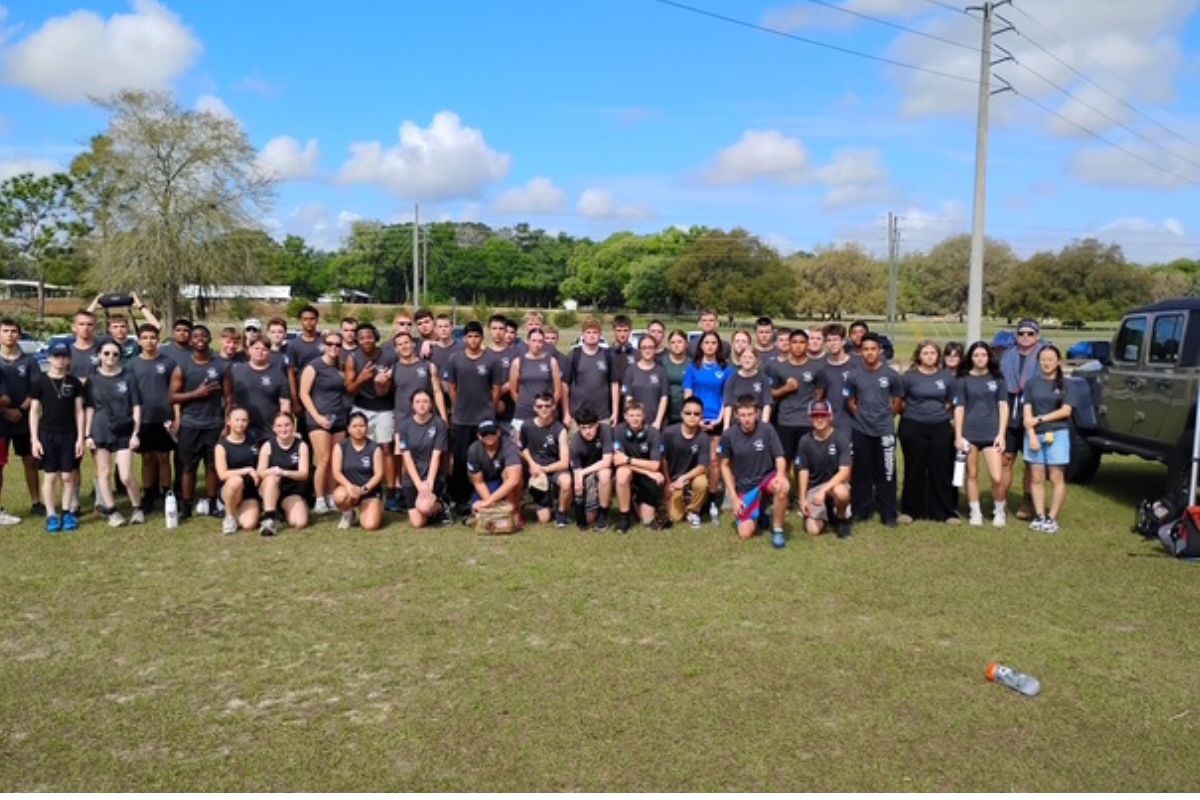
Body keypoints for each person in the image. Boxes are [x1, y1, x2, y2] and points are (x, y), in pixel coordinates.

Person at [170, 325, 232, 519]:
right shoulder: (183, 367)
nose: (199, 339)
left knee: (213, 466)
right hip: (190, 424)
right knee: (189, 467)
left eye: (203, 335)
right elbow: (172, 396)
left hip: (214, 423)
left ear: (209, 338)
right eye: (195, 336)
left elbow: (229, 397)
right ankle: (186, 507)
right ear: (191, 340)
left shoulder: (221, 366)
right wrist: (196, 393)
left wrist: (226, 422)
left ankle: (213, 503)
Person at [843, 333, 903, 526]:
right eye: (865, 349)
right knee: (862, 472)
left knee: (887, 472)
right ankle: (862, 510)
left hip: (884, 430)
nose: (869, 353)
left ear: (880, 351)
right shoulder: (854, 374)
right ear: (861, 352)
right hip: (861, 430)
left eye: (873, 349)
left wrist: (888, 415)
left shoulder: (891, 374)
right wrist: (859, 414)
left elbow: (898, 399)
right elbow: (849, 399)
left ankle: (889, 513)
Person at [85, 341, 146, 526]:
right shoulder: (92, 379)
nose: (110, 357)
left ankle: (137, 508)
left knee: (126, 475)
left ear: (120, 356)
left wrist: (136, 433)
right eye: (106, 353)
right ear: (99, 355)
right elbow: (89, 408)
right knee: (104, 472)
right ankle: (111, 511)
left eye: (115, 354)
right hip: (101, 429)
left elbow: (136, 406)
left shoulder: (128, 377)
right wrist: (87, 434)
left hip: (125, 430)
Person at [897, 340, 958, 524]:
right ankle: (910, 510)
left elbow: (950, 401)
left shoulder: (947, 377)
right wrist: (915, 414)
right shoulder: (908, 377)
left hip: (940, 425)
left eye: (933, 353)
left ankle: (944, 512)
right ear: (919, 356)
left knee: (941, 468)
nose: (929, 356)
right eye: (925, 353)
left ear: (938, 356)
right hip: (912, 425)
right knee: (914, 466)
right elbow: (900, 401)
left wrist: (939, 414)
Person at [718, 395, 790, 548]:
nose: (747, 419)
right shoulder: (728, 435)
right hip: (745, 487)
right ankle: (762, 513)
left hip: (766, 479)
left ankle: (777, 529)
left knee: (783, 486)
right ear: (736, 415)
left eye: (750, 414)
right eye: (742, 415)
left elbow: (780, 457)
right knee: (745, 534)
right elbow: (724, 466)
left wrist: (781, 475)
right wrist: (734, 498)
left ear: (757, 413)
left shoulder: (767, 429)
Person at [443, 321, 500, 514]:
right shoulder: (455, 359)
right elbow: (451, 386)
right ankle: (460, 499)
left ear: (482, 338)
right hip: (461, 418)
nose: (473, 340)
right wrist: (458, 405)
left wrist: (489, 407)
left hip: (484, 418)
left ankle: (482, 495)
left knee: (485, 459)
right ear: (464, 338)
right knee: (460, 460)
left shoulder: (491, 360)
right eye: (469, 336)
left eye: (476, 336)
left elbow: (497, 388)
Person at [29, 342, 85, 533]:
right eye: (56, 356)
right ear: (49, 358)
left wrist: (80, 438)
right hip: (47, 435)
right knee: (51, 476)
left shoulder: (74, 382)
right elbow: (35, 411)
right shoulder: (40, 382)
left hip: (69, 434)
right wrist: (34, 439)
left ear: (69, 359)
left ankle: (67, 512)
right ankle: (51, 515)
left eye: (64, 356)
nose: (60, 360)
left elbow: (79, 411)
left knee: (69, 476)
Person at [953, 341, 1009, 527]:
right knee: (972, 474)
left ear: (989, 357)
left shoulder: (998, 378)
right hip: (970, 433)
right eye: (976, 355)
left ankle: (999, 511)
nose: (980, 358)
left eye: (983, 355)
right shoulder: (963, 380)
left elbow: (1003, 406)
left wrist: (1001, 434)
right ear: (971, 357)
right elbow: (959, 408)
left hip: (992, 433)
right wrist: (959, 436)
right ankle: (974, 512)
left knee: (997, 476)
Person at [344, 324, 399, 508]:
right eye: (361, 338)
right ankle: (360, 489)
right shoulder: (353, 358)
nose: (365, 341)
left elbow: (396, 381)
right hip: (362, 408)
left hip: (384, 408)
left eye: (369, 337)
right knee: (359, 448)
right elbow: (350, 389)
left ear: (375, 337)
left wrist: (385, 383)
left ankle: (390, 492)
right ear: (357, 340)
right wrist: (362, 378)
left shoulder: (389, 355)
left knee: (385, 448)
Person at [1000, 319, 1048, 520]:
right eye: (1022, 333)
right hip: (1010, 414)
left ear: (1038, 335)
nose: (1026, 337)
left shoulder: (1045, 355)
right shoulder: (1006, 357)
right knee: (1006, 459)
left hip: (1035, 416)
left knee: (1031, 462)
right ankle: (999, 501)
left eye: (1030, 333)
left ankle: (1028, 501)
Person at [1023, 345, 1074, 534]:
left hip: (1058, 434)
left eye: (1050, 359)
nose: (1046, 363)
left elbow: (1066, 411)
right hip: (1035, 435)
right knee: (1036, 478)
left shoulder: (1068, 384)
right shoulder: (1031, 383)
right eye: (1043, 359)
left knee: (1056, 477)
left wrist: (1040, 419)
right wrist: (1032, 434)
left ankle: (1052, 517)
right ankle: (1039, 515)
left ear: (1058, 361)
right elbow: (1027, 413)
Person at [683, 331, 732, 523]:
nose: (710, 346)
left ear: (718, 346)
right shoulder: (693, 368)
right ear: (701, 346)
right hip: (696, 420)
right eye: (707, 342)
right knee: (697, 463)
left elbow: (727, 397)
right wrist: (695, 417)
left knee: (713, 462)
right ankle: (695, 500)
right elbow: (689, 394)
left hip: (716, 422)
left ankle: (712, 501)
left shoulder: (726, 369)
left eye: (714, 343)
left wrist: (720, 419)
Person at [767, 329, 820, 504]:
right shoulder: (778, 367)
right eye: (794, 342)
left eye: (801, 342)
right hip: (786, 421)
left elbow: (820, 394)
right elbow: (771, 393)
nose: (798, 346)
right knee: (785, 461)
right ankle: (784, 496)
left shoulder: (816, 367)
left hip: (807, 422)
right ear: (789, 344)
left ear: (807, 345)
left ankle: (802, 496)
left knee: (804, 462)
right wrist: (785, 389)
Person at [128, 324, 177, 513]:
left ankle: (167, 492)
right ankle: (149, 493)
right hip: (144, 418)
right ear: (139, 341)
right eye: (145, 337)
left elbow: (174, 390)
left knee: (164, 457)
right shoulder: (132, 365)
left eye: (153, 337)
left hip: (164, 417)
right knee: (147, 458)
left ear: (158, 339)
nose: (149, 341)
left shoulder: (168, 362)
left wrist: (174, 415)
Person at [299, 332, 349, 514]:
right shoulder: (314, 366)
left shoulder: (341, 367)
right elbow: (303, 394)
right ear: (324, 345)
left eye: (337, 344)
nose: (334, 347)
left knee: (336, 461)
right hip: (318, 419)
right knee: (324, 459)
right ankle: (319, 498)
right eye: (330, 344)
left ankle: (331, 495)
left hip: (339, 418)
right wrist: (317, 417)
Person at [0, 318, 40, 520]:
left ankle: (36, 502)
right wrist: (6, 413)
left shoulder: (29, 361)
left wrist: (21, 411)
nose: (9, 334)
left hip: (24, 419)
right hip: (1, 422)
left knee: (31, 461)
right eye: (5, 330)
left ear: (19, 334)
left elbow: (35, 390)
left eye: (13, 331)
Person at [795, 400, 853, 539]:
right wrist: (802, 499)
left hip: (835, 485)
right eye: (815, 416)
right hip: (815, 489)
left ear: (830, 416)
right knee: (813, 530)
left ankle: (841, 519)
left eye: (823, 415)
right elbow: (803, 471)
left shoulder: (841, 438)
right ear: (810, 418)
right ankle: (824, 514)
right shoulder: (804, 441)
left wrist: (824, 490)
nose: (819, 419)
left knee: (842, 493)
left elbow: (845, 471)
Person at [396, 389, 450, 528]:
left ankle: (441, 507)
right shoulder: (404, 425)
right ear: (412, 405)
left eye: (425, 401)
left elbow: (436, 456)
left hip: (432, 476)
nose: (421, 405)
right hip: (412, 478)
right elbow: (406, 458)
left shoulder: (439, 424)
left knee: (425, 507)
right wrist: (419, 485)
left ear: (431, 404)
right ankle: (428, 509)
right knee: (418, 523)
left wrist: (429, 484)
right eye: (417, 402)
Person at [517, 390, 572, 526]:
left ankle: (561, 513)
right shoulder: (526, 426)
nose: (544, 409)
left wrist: (545, 469)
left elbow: (564, 463)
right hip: (534, 469)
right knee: (544, 519)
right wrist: (532, 464)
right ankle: (520, 509)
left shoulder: (560, 429)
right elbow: (523, 448)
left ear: (553, 407)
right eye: (540, 406)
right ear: (535, 408)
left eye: (547, 406)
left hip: (553, 468)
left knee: (566, 481)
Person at [612, 400, 664, 532]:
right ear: (625, 417)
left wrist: (629, 460)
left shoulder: (654, 433)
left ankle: (634, 501)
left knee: (646, 520)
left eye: (638, 415)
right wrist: (647, 471)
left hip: (646, 477)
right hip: (631, 473)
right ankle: (624, 517)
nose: (635, 419)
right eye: (631, 415)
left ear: (644, 416)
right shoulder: (618, 431)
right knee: (622, 473)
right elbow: (618, 461)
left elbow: (655, 465)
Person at [256, 412, 311, 535]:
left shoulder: (301, 445)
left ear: (293, 426)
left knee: (300, 522)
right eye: (279, 426)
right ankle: (269, 519)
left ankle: (281, 512)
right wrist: (272, 472)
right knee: (272, 478)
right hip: (270, 488)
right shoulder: (268, 445)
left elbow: (304, 474)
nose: (283, 429)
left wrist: (284, 473)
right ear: (274, 428)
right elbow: (260, 472)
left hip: (291, 491)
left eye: (287, 425)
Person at [660, 396, 711, 527]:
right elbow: (663, 459)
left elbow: (702, 467)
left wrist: (683, 479)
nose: (692, 416)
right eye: (688, 413)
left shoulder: (703, 438)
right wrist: (668, 483)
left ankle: (693, 511)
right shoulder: (669, 433)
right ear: (681, 414)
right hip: (671, 480)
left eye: (697, 414)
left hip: (691, 478)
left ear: (702, 416)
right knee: (676, 517)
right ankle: (682, 499)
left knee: (702, 482)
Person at [230, 338, 292, 443]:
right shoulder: (236, 372)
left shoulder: (278, 375)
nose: (260, 352)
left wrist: (283, 427)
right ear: (249, 350)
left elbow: (285, 403)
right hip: (241, 429)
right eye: (256, 348)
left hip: (269, 431)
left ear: (269, 352)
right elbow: (229, 399)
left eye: (264, 349)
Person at [332, 411, 385, 531]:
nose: (358, 429)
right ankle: (348, 514)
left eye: (362, 426)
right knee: (339, 496)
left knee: (370, 525)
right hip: (348, 490)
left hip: (368, 491)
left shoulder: (375, 448)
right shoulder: (340, 447)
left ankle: (373, 508)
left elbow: (379, 474)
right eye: (354, 426)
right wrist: (350, 487)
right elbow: (336, 472)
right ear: (348, 429)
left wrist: (364, 489)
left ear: (367, 427)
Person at [563, 317, 619, 428]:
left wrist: (615, 412)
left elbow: (614, 384)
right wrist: (566, 413)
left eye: (595, 332)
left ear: (600, 335)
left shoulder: (608, 355)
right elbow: (564, 385)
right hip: (578, 416)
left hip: (602, 416)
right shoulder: (574, 355)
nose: (592, 335)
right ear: (583, 335)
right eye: (588, 332)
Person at [466, 420, 524, 524]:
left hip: (506, 484)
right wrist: (490, 504)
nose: (489, 436)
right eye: (484, 434)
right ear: (479, 436)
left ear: (498, 433)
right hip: (488, 484)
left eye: (492, 432)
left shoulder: (509, 446)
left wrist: (488, 502)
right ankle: (500, 513)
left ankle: (515, 511)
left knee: (510, 475)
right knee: (477, 510)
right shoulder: (473, 450)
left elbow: (514, 480)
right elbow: (478, 482)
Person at [215, 407, 262, 534]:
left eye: (244, 420)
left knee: (249, 525)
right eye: (237, 420)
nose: (240, 423)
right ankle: (229, 516)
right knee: (236, 481)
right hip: (230, 488)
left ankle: (240, 511)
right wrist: (247, 470)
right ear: (229, 421)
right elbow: (222, 474)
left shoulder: (254, 440)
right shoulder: (222, 446)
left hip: (249, 492)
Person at [568, 407, 613, 530]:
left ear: (597, 424)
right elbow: (576, 469)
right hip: (588, 475)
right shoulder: (575, 442)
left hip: (609, 471)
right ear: (578, 428)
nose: (588, 431)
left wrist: (582, 472)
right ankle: (588, 508)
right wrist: (578, 483)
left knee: (605, 473)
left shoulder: (606, 431)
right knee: (589, 519)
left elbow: (607, 461)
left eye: (590, 427)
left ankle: (604, 514)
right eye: (583, 428)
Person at [511, 327, 562, 432]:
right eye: (534, 341)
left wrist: (548, 407)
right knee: (521, 446)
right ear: (528, 341)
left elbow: (558, 391)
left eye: (540, 341)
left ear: (544, 343)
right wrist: (523, 403)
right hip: (523, 413)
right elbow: (513, 390)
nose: (536, 344)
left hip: (545, 414)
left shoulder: (552, 361)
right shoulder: (518, 362)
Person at [621, 335, 669, 430]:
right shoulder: (631, 371)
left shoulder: (661, 371)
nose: (647, 350)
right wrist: (632, 420)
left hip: (655, 423)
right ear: (639, 350)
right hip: (636, 423)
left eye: (651, 347)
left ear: (655, 349)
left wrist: (658, 421)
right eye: (644, 347)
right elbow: (628, 398)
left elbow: (664, 398)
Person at [721, 346, 772, 428]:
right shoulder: (732, 379)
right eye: (744, 357)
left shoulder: (763, 379)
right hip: (736, 424)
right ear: (739, 360)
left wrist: (764, 427)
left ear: (756, 360)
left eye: (750, 358)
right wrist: (726, 427)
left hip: (757, 424)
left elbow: (767, 404)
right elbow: (728, 405)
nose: (747, 360)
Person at [285, 305, 323, 409]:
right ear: (300, 321)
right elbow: (291, 373)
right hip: (303, 391)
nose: (309, 322)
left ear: (317, 320)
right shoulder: (293, 345)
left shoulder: (325, 341)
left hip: (323, 392)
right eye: (305, 319)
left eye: (312, 319)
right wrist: (295, 400)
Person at [819, 323, 858, 421]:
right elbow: (819, 397)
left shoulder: (857, 365)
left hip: (854, 421)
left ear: (843, 341)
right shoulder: (821, 367)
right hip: (830, 421)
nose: (832, 343)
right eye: (829, 340)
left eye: (835, 340)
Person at [661, 330, 691, 426]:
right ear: (669, 345)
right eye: (673, 342)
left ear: (686, 344)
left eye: (679, 341)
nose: (676, 345)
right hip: (665, 413)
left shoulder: (692, 364)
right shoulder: (661, 362)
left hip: (685, 413)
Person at [610, 314, 637, 389]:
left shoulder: (637, 354)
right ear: (614, 331)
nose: (622, 334)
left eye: (625, 330)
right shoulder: (607, 354)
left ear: (630, 331)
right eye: (619, 331)